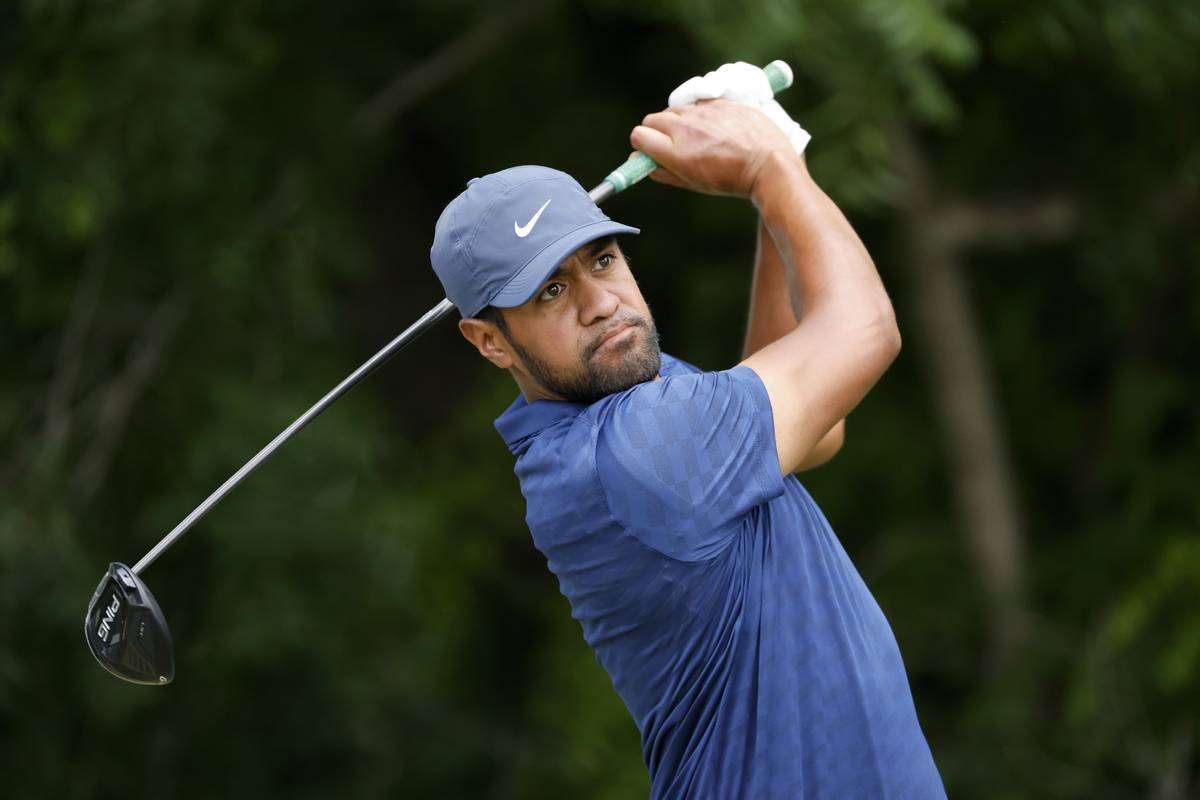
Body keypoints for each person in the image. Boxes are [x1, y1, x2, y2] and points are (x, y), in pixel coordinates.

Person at [430, 92, 945, 799]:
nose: (600, 302)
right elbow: (865, 333)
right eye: (551, 290)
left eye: (602, 260)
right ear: (490, 340)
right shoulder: (638, 449)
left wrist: (776, 197)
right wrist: (769, 168)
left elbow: (814, 429)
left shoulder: (618, 397)